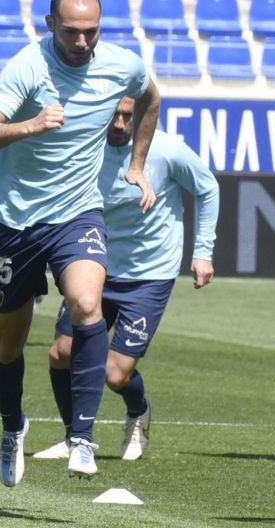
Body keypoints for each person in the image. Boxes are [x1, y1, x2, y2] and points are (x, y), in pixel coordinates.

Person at [0, 0, 160, 486]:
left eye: (91, 31)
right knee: (8, 346)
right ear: (50, 25)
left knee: (86, 305)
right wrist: (31, 125)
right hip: (16, 222)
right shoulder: (27, 67)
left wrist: (136, 163)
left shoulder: (123, 64)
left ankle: (82, 437)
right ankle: (13, 427)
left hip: (77, 214)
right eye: (71, 31)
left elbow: (151, 97)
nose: (82, 41)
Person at [33, 96, 219, 462]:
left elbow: (207, 188)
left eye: (127, 117)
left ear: (142, 117)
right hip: (95, 265)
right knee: (61, 353)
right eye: (113, 115)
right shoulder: (84, 149)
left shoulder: (167, 150)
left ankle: (138, 412)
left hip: (149, 274)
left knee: (114, 374)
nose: (119, 124)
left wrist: (203, 251)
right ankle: (75, 439)